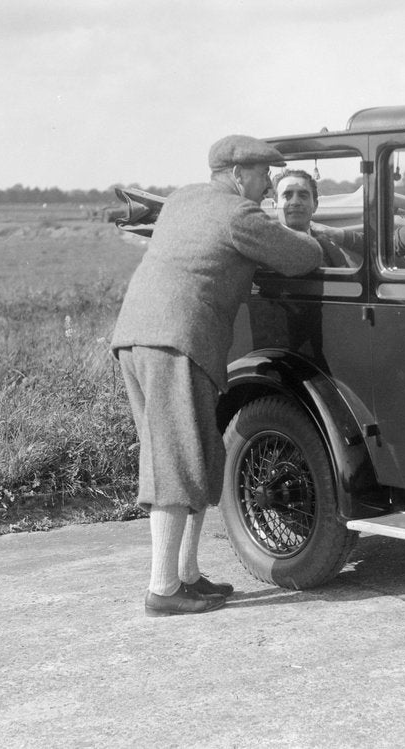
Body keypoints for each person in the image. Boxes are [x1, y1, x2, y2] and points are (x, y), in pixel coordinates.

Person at [111, 134, 324, 617]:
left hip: (138, 337)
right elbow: (300, 257)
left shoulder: (185, 199)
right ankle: (163, 589)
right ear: (237, 175)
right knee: (176, 459)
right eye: (263, 174)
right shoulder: (238, 215)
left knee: (199, 451)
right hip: (176, 341)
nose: (270, 183)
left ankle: (187, 577)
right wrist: (318, 237)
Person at [273, 169, 363, 267]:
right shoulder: (262, 245)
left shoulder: (332, 250)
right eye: (287, 196)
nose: (295, 202)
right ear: (274, 206)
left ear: (315, 205)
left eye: (303, 196)